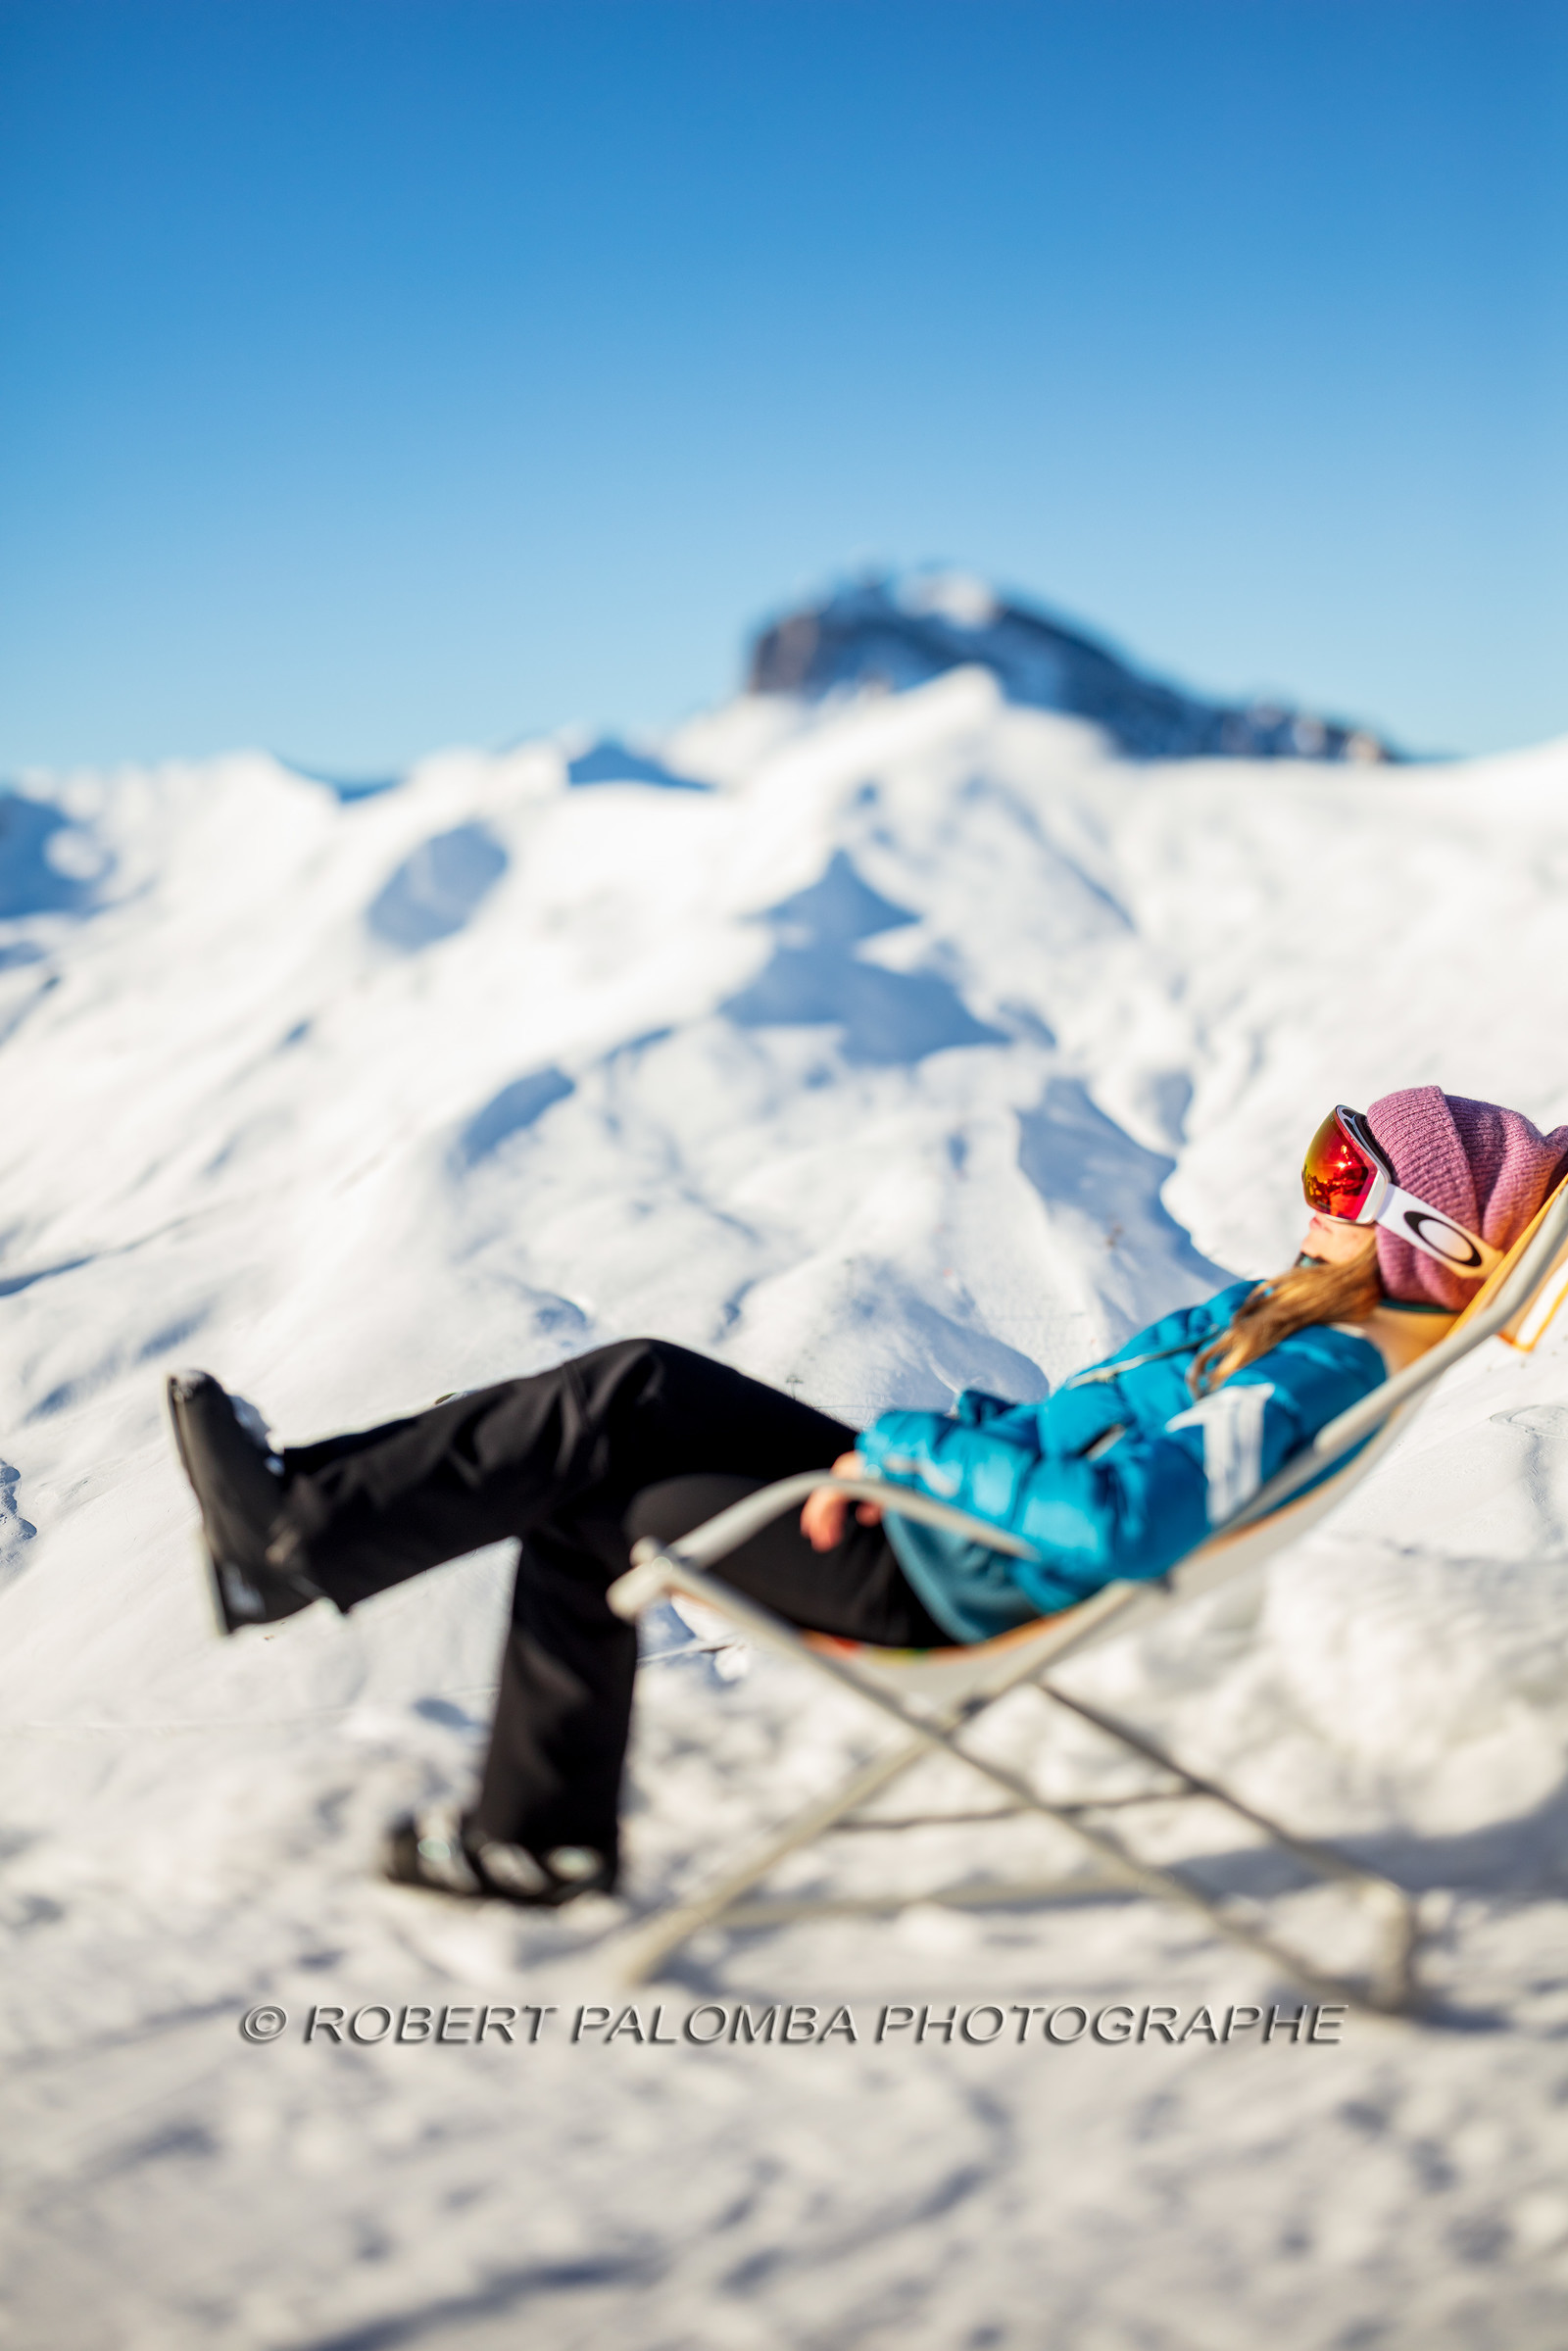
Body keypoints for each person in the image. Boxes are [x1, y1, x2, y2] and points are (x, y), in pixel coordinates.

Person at [168, 1086, 1567, 1909]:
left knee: (609, 1452)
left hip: (946, 1572)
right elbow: (1078, 1438)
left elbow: (1123, 1524)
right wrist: (915, 1452)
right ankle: (468, 1751)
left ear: (1418, 1235)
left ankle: (307, 1551)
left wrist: (902, 1459)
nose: (1312, 1190)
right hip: (946, 1519)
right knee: (632, 1396)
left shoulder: (1312, 1371)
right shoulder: (1286, 1320)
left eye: (1344, 1173)